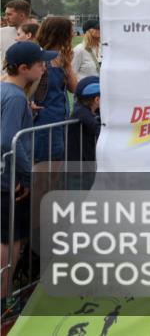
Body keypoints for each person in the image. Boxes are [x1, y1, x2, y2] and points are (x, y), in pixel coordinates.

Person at [2, 41, 56, 316]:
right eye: (40, 64)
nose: (44, 67)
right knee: (10, 241)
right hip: (9, 181)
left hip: (7, 178)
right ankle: (4, 301)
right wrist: (27, 174)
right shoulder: (14, 97)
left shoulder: (7, 91)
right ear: (23, 68)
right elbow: (8, 141)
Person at [33, 17, 78, 162]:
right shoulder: (37, 57)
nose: (73, 33)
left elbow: (73, 88)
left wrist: (68, 64)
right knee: (43, 169)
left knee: (55, 167)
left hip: (59, 119)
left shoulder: (62, 58)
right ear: (62, 33)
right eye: (71, 30)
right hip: (43, 120)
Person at [67, 75, 101, 163]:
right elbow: (96, 128)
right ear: (97, 100)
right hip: (76, 165)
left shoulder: (93, 111)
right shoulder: (81, 111)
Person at [0, 0, 31, 66]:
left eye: (9, 14)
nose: (6, 18)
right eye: (6, 14)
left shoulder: (38, 34)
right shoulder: (1, 32)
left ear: (22, 15)